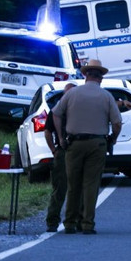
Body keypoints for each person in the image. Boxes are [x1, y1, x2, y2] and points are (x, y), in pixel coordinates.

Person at [52, 59, 122, 235]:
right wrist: (112, 138)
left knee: (73, 184)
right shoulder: (106, 96)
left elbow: (56, 114)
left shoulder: (72, 93)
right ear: (100, 78)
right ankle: (87, 224)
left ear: (85, 75)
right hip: (97, 143)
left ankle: (69, 222)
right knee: (90, 184)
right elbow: (117, 122)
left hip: (74, 143)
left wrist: (61, 137)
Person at [44, 83, 76, 233]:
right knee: (59, 189)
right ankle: (52, 221)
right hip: (63, 151)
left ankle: (75, 220)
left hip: (76, 150)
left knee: (77, 188)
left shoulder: (78, 110)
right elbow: (47, 131)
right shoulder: (56, 110)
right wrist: (53, 150)